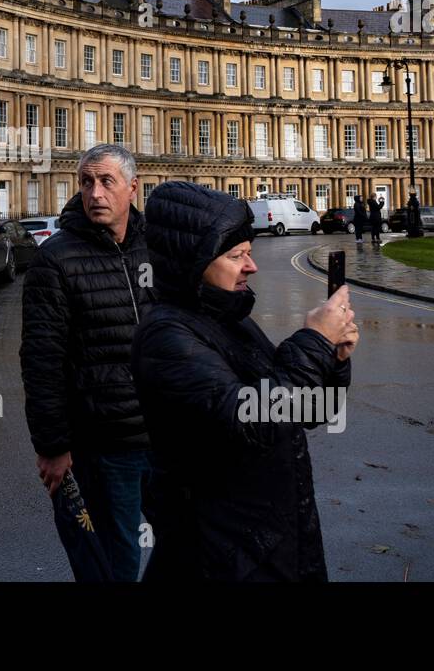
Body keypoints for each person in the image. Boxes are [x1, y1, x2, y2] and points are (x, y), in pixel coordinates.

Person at [131, 182, 357, 581]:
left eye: (249, 253)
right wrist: (314, 340)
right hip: (220, 555)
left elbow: (305, 411)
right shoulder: (167, 337)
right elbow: (255, 419)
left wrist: (334, 358)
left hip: (273, 541)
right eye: (236, 255)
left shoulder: (230, 319)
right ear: (194, 261)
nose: (251, 266)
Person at [20, 143, 154, 581]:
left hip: (165, 436)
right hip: (103, 445)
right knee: (114, 562)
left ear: (133, 188)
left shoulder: (155, 248)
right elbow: (42, 362)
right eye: (86, 182)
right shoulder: (55, 260)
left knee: (190, 541)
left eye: (106, 182)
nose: (94, 193)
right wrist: (53, 447)